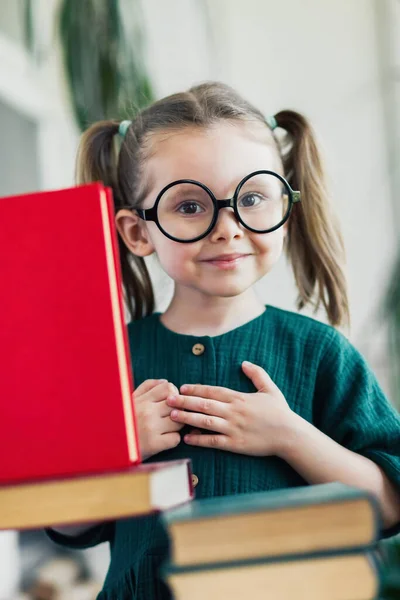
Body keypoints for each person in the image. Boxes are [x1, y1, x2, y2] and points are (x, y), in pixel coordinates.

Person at [47, 82, 400, 600]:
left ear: (286, 208)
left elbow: (389, 506)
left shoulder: (321, 353)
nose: (227, 227)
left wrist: (290, 437)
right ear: (137, 232)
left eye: (252, 197)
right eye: (189, 206)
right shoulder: (108, 361)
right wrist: (117, 452)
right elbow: (67, 524)